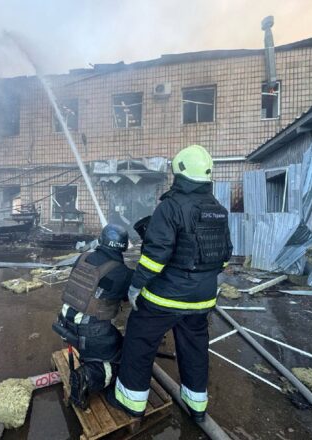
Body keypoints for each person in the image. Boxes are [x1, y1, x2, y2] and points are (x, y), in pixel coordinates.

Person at [108, 145, 232, 422]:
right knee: (195, 347)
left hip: (165, 298)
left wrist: (136, 286)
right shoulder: (219, 211)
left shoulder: (170, 207)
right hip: (202, 300)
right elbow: (224, 257)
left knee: (140, 340)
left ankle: (131, 401)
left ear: (179, 173)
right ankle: (196, 405)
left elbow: (155, 257)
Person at [52, 224, 133, 409]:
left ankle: (91, 359)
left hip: (64, 321)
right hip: (90, 332)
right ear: (123, 247)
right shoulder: (123, 273)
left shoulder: (83, 257)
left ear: (101, 240)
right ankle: (87, 377)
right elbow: (129, 297)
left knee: (108, 338)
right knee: (124, 355)